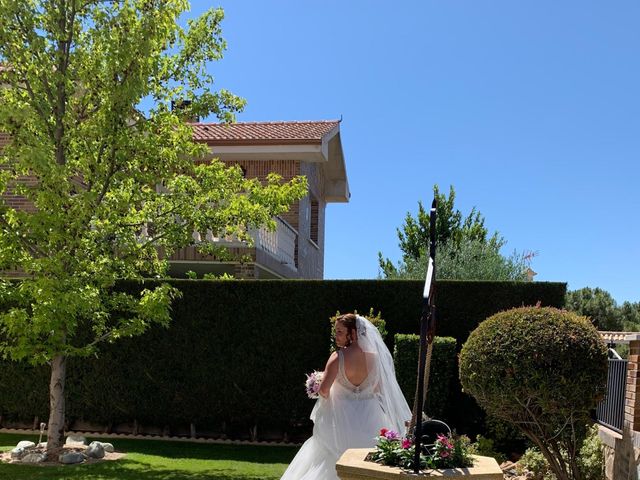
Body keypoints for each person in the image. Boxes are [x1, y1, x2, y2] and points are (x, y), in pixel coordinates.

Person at [281, 313, 412, 480]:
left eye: (340, 332)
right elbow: (379, 388)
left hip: (340, 420)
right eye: (336, 332)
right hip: (369, 416)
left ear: (354, 333)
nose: (336, 336)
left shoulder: (338, 357)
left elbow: (324, 391)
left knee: (331, 457)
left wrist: (317, 384)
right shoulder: (375, 358)